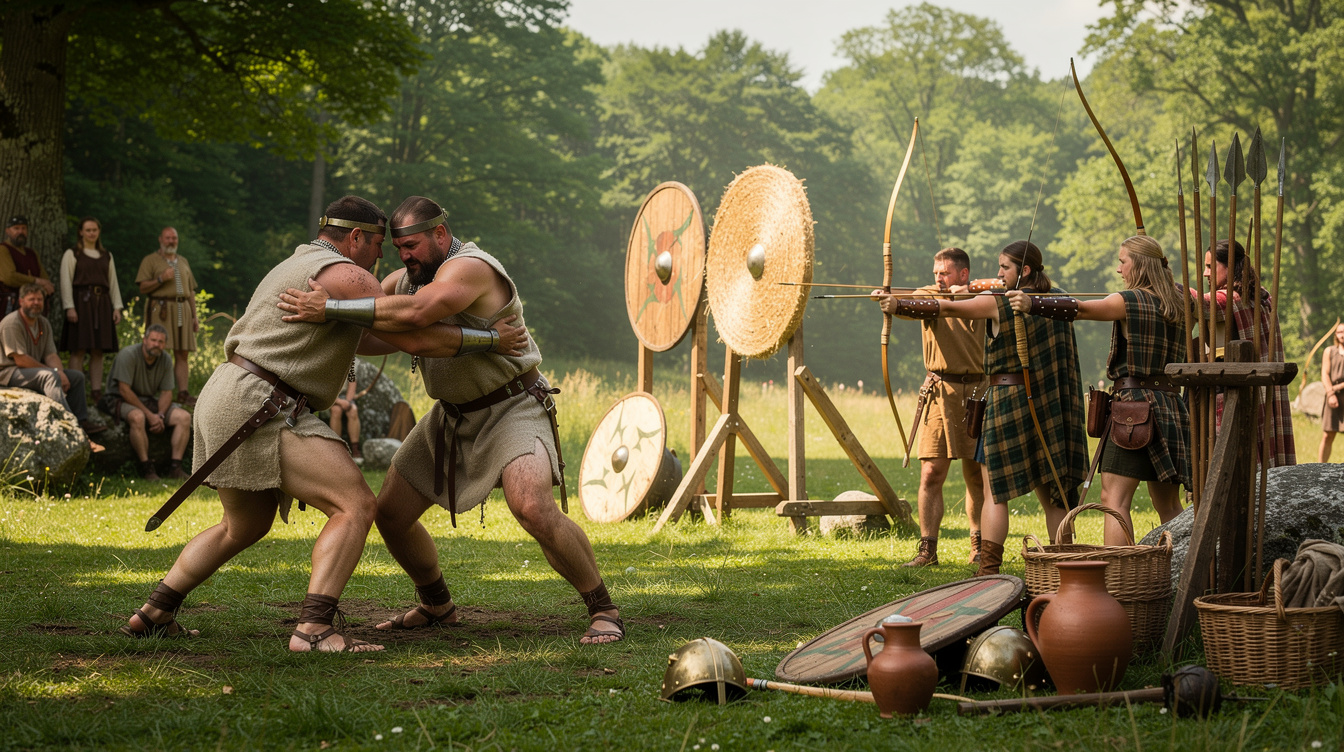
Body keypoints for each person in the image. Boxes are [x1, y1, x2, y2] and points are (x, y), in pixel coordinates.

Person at [120, 196, 527, 653]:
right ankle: (314, 630)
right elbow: (411, 330)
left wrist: (338, 312)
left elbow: (372, 337)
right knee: (354, 504)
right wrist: (490, 339)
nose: (382, 258)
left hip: (228, 394)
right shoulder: (347, 275)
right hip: (264, 402)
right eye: (376, 245)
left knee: (243, 525)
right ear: (355, 238)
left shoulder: (297, 262)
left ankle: (155, 611)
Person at [278, 195, 623, 645]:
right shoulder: (402, 281)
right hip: (450, 416)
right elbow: (378, 333)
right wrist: (308, 330)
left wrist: (330, 309)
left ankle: (604, 609)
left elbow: (421, 315)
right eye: (398, 247)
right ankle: (436, 605)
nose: (404, 257)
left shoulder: (471, 267)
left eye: (413, 245)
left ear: (441, 234)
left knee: (532, 506)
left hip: (511, 406)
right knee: (391, 515)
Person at [874, 240, 1088, 577]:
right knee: (1055, 494)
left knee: (995, 493)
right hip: (1054, 403)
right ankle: (1068, 569)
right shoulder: (1056, 299)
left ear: (1024, 271)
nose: (999, 274)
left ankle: (988, 572)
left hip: (1007, 402)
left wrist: (898, 303)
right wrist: (900, 301)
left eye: (1004, 268)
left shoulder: (998, 302)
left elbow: (947, 309)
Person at [1008, 235, 1189, 546]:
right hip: (1170, 407)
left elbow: (1081, 309)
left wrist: (1034, 302)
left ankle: (1119, 579)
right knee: (1169, 504)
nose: (1119, 269)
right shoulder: (1181, 301)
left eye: (1123, 261)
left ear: (1141, 265)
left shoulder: (1128, 300)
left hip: (1134, 411)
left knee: (1113, 500)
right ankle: (1180, 569)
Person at [895, 248, 987, 567]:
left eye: (945, 272)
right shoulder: (929, 296)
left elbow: (1000, 298)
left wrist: (966, 294)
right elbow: (912, 305)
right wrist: (892, 302)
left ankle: (978, 546)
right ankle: (927, 551)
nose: (938, 278)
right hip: (940, 390)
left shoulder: (983, 297)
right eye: (935, 272)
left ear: (963, 274)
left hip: (979, 389)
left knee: (976, 473)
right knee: (931, 472)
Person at [1197, 239, 1296, 467]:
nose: (1205, 273)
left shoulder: (1231, 299)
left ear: (1230, 267)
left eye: (1211, 267)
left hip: (1234, 396)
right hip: (1252, 395)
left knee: (1235, 466)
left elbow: (1194, 303)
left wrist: (1160, 281)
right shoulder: (1261, 297)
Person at [0, 283, 107, 447]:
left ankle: (81, 422)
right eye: (31, 299)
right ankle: (73, 430)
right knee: (49, 376)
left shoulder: (43, 323)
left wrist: (61, 373)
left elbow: (50, 355)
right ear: (21, 301)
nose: (36, 303)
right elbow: (20, 359)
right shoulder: (11, 323)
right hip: (8, 373)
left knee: (76, 377)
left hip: (31, 371)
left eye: (39, 299)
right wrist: (54, 372)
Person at [105, 324, 191, 481]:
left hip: (148, 400)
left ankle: (175, 467)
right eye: (153, 340)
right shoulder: (128, 354)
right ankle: (147, 468)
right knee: (138, 417)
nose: (156, 344)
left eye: (161, 341)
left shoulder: (165, 358)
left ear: (165, 344)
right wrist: (149, 415)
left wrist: (160, 415)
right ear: (144, 340)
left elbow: (167, 392)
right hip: (119, 399)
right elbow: (124, 390)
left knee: (184, 417)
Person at [59, 217, 123, 400]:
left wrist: (116, 307)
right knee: (78, 348)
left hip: (102, 304)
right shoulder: (72, 254)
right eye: (88, 230)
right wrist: (69, 307)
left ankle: (96, 392)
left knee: (98, 350)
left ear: (99, 231)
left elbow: (113, 282)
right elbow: (65, 281)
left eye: (94, 230)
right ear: (81, 232)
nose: (91, 233)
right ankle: (74, 389)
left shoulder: (106, 255)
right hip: (81, 304)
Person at [136, 227, 198, 405]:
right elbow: (143, 288)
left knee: (182, 353)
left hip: (183, 309)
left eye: (174, 238)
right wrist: (161, 279)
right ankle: (154, 392)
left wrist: (195, 316)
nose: (171, 241)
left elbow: (191, 291)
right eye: (168, 238)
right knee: (157, 350)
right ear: (160, 239)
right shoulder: (150, 260)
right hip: (161, 309)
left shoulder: (183, 261)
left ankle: (183, 393)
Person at [0, 216, 55, 318]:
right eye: (16, 228)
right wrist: (35, 281)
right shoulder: (3, 250)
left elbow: (45, 279)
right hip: (10, 306)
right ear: (7, 231)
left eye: (23, 228)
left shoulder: (32, 253)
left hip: (33, 307)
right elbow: (9, 277)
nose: (21, 231)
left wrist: (45, 287)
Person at [329, 377, 362, 463]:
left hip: (346, 397)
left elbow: (352, 381)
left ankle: (355, 448)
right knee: (336, 411)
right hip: (331, 397)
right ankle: (337, 448)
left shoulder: (349, 365)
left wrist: (348, 401)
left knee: (353, 411)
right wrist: (339, 402)